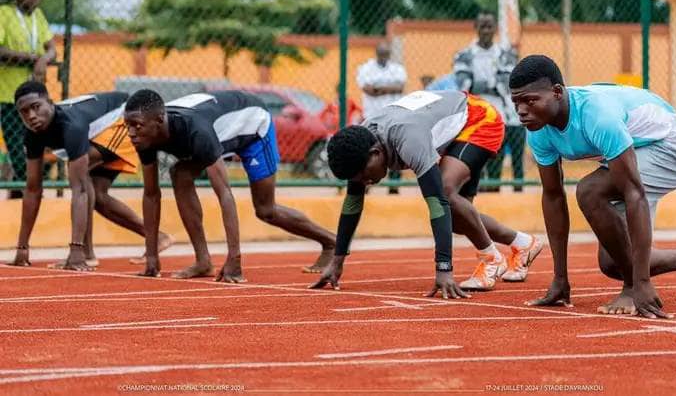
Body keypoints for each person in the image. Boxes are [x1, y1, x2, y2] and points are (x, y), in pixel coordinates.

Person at [509, 55, 676, 319]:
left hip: (669, 148)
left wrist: (638, 284)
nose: (521, 111)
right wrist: (559, 279)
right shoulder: (538, 130)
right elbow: (553, 196)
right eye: (516, 102)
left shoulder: (597, 116)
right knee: (611, 262)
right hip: (634, 153)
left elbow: (634, 193)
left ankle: (632, 286)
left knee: (590, 191)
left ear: (557, 92)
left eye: (530, 101)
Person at [310, 90, 543, 298]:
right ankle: (523, 243)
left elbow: (437, 202)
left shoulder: (408, 139)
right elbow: (352, 206)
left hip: (479, 119)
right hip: (453, 124)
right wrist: (337, 261)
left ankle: (491, 258)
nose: (365, 183)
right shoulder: (360, 145)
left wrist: (444, 269)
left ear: (376, 153)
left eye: (363, 176)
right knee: (457, 219)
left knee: (446, 195)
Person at [123, 89, 336, 281]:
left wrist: (234, 258)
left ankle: (330, 242)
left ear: (159, 120)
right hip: (220, 130)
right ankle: (203, 262)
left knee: (266, 210)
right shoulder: (145, 137)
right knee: (180, 174)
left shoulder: (196, 130)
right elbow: (151, 195)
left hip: (253, 126)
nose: (131, 133)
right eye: (128, 126)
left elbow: (224, 193)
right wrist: (151, 256)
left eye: (137, 126)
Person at [7, 81, 173, 270]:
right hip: (97, 133)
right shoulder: (32, 135)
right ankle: (157, 238)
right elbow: (32, 190)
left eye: (36, 107)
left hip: (120, 119)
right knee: (97, 195)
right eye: (24, 112)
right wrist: (22, 248)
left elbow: (79, 190)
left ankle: (83, 252)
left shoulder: (71, 125)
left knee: (80, 178)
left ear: (50, 102)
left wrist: (75, 250)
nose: (31, 116)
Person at [453, 11, 525, 192]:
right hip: (477, 116)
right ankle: (488, 194)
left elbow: (507, 83)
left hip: (507, 114)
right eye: (482, 26)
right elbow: (463, 84)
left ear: (495, 28)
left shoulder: (506, 54)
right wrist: (494, 82)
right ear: (476, 27)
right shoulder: (464, 55)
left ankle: (518, 196)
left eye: (489, 26)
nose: (486, 30)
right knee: (488, 161)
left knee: (514, 161)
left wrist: (479, 83)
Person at [0, 0, 56, 197]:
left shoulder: (38, 16)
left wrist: (43, 59)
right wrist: (33, 58)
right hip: (8, 95)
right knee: (16, 148)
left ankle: (20, 191)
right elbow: (1, 51)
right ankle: (28, 190)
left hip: (35, 96)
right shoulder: (4, 13)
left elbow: (52, 48)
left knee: (34, 144)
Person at [356, 41, 407, 194]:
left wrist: (378, 88)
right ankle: (366, 184)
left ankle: (394, 186)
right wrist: (390, 89)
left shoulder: (397, 69)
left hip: (393, 116)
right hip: (371, 117)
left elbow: (400, 88)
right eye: (382, 53)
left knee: (395, 150)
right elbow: (368, 90)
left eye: (386, 54)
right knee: (368, 151)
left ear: (389, 54)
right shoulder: (366, 68)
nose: (384, 56)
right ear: (377, 53)